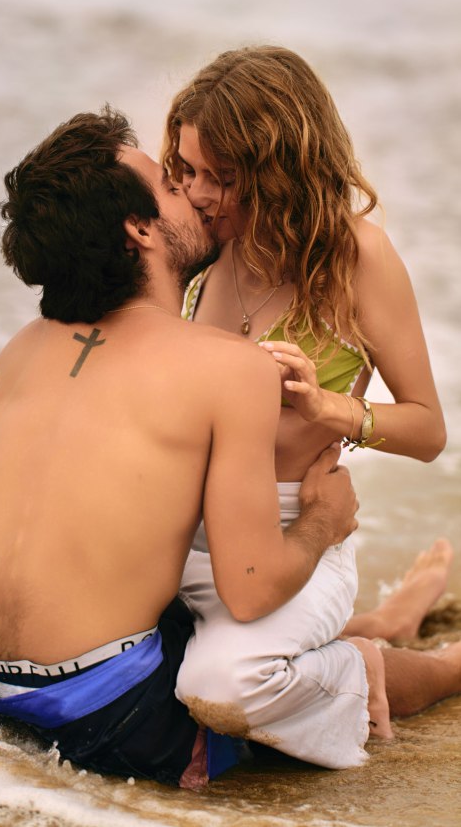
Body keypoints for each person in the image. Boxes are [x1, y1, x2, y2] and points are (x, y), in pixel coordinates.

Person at [0, 105, 461, 785]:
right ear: (139, 228)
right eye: (170, 183)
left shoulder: (19, 350)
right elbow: (249, 593)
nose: (191, 192)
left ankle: (382, 631)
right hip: (114, 719)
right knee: (228, 681)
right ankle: (388, 658)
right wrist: (321, 521)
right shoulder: (230, 365)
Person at [160, 45, 452, 738]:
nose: (197, 194)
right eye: (189, 170)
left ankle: (428, 664)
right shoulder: (203, 242)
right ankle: (382, 622)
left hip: (295, 533)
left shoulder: (359, 260)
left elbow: (426, 428)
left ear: (279, 170)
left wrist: (330, 408)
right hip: (173, 529)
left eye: (221, 177)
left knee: (220, 684)